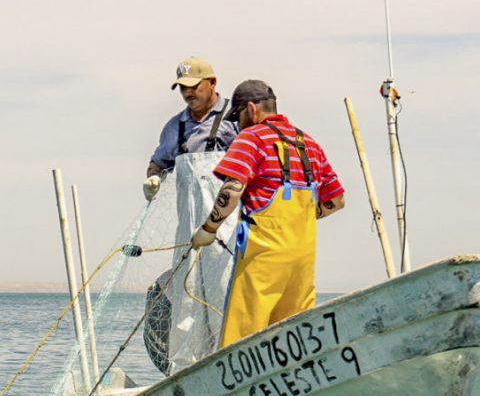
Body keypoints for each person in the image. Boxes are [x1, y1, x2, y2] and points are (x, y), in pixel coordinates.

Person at [190, 79, 345, 347]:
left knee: (241, 343)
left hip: (261, 265)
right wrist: (299, 216)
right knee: (291, 342)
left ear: (251, 109)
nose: (238, 126)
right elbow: (337, 200)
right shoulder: (308, 143)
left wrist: (208, 229)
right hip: (302, 266)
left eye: (238, 118)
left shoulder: (251, 137)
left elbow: (233, 188)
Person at [143, 56, 239, 200]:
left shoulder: (236, 115)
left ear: (212, 82)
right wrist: (153, 178)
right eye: (183, 87)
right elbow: (158, 163)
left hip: (232, 212)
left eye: (194, 86)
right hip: (189, 214)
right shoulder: (174, 127)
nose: (187, 93)